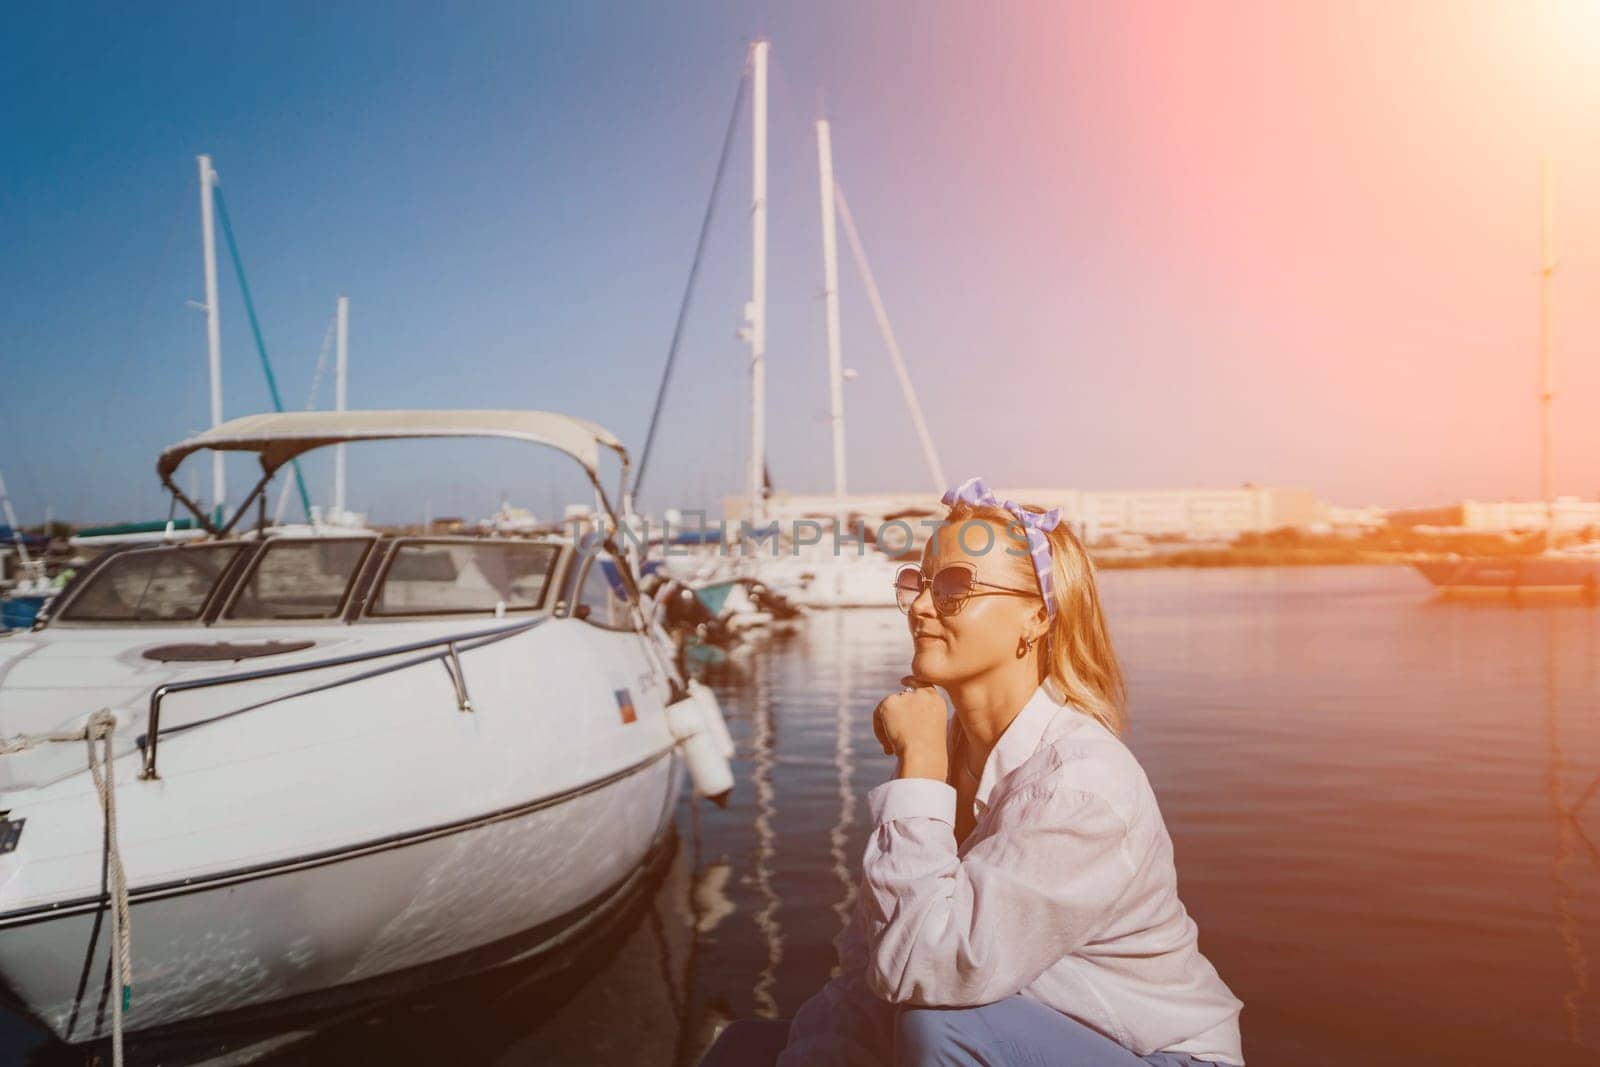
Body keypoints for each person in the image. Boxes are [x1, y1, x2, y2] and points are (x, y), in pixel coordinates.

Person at [699, 477, 1244, 1066]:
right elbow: (871, 968)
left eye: (956, 585)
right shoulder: (957, 755)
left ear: (1036, 617)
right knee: (744, 1050)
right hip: (1016, 1032)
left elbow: (925, 972)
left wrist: (920, 774)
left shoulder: (1080, 785)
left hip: (1156, 1055)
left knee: (939, 1027)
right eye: (920, 583)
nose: (924, 607)